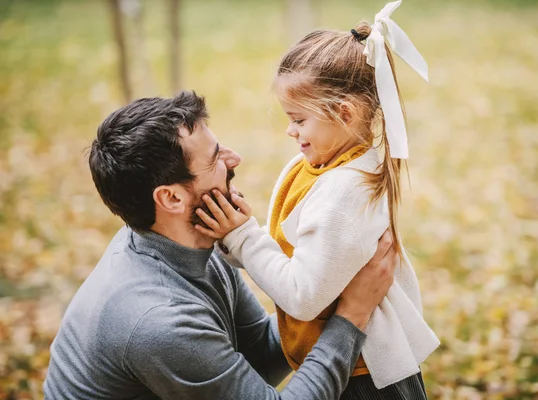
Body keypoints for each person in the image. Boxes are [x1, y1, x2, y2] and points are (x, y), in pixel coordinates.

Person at [43, 91, 398, 399]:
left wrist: (325, 277)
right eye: (214, 159)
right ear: (170, 198)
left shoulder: (187, 244)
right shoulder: (160, 321)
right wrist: (351, 314)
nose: (234, 160)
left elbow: (257, 352)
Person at [193, 2, 440, 398]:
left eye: (299, 119)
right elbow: (294, 254)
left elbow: (303, 298)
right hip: (341, 360)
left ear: (344, 113)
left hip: (364, 378)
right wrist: (231, 239)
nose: (291, 131)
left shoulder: (345, 191)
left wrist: (242, 237)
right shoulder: (315, 166)